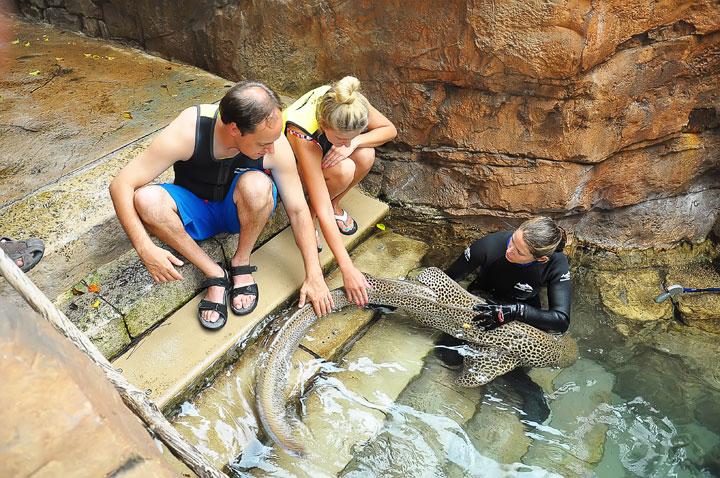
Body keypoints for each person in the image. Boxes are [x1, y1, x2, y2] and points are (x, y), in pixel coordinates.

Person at [109, 82, 334, 330]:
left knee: (259, 184)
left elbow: (299, 210)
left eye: (273, 140)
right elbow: (121, 185)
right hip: (195, 209)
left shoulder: (274, 142)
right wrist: (145, 247)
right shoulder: (190, 129)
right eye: (262, 144)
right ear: (235, 129)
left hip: (237, 212)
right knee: (146, 199)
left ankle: (241, 261)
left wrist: (314, 275)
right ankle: (215, 273)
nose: (272, 148)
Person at [283, 76, 397, 304]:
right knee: (344, 170)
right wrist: (347, 267)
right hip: (292, 168)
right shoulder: (303, 132)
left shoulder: (350, 103)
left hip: (322, 147)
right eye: (341, 139)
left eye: (351, 137)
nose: (345, 144)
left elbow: (389, 130)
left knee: (366, 153)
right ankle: (310, 217)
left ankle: (337, 203)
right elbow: (322, 204)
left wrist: (355, 143)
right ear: (324, 124)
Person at [438, 217, 571, 363]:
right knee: (450, 357)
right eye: (513, 240)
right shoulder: (489, 246)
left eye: (519, 252)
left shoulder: (556, 263)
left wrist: (517, 312)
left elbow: (561, 321)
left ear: (541, 259)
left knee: (515, 369)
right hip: (480, 300)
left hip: (523, 307)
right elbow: (445, 281)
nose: (510, 250)